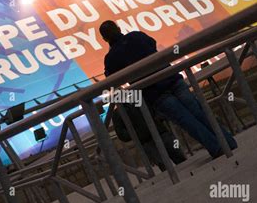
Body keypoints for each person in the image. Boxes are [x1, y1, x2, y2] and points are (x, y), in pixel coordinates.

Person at [99, 20, 237, 158]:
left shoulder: (111, 58)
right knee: (199, 111)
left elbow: (112, 79)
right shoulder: (137, 36)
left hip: (153, 92)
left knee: (186, 121)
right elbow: (152, 44)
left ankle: (216, 148)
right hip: (171, 78)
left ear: (105, 38)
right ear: (118, 27)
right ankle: (229, 142)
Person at [112, 104, 186, 171]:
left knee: (176, 157)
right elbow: (121, 134)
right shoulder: (118, 112)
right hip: (152, 138)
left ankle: (182, 177)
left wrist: (136, 134)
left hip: (156, 135)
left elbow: (121, 133)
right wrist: (137, 133)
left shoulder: (139, 100)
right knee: (167, 163)